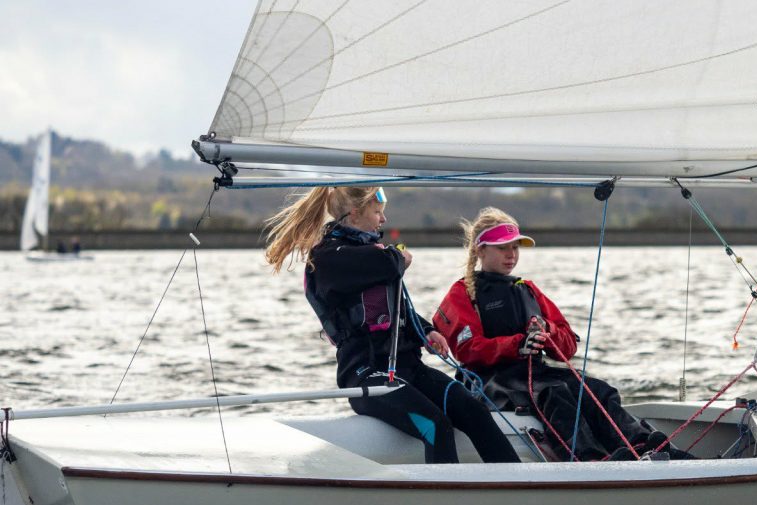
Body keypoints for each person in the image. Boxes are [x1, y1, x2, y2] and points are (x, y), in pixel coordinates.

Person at [264, 187, 520, 465]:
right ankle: (444, 492)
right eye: (377, 212)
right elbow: (386, 262)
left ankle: (518, 482)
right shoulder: (329, 257)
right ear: (354, 214)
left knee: (475, 410)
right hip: (366, 374)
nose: (383, 219)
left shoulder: (370, 253)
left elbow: (394, 308)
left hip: (408, 369)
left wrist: (426, 331)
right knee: (435, 425)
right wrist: (399, 257)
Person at [432, 207, 693, 462]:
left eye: (515, 247)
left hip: (535, 374)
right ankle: (589, 459)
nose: (511, 255)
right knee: (555, 393)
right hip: (491, 381)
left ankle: (644, 445)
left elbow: (568, 346)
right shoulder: (461, 294)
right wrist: (518, 344)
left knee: (596, 389)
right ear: (480, 250)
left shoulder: (527, 289)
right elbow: (468, 349)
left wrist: (548, 331)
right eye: (502, 248)